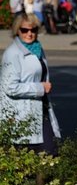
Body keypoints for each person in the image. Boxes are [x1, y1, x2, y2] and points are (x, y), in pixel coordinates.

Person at [0, 13, 60, 155]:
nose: (29, 34)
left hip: (40, 108)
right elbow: (10, 87)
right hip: (22, 112)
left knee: (50, 152)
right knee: (37, 155)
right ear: (17, 31)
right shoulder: (12, 53)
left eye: (33, 30)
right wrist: (40, 88)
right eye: (25, 30)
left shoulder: (37, 49)